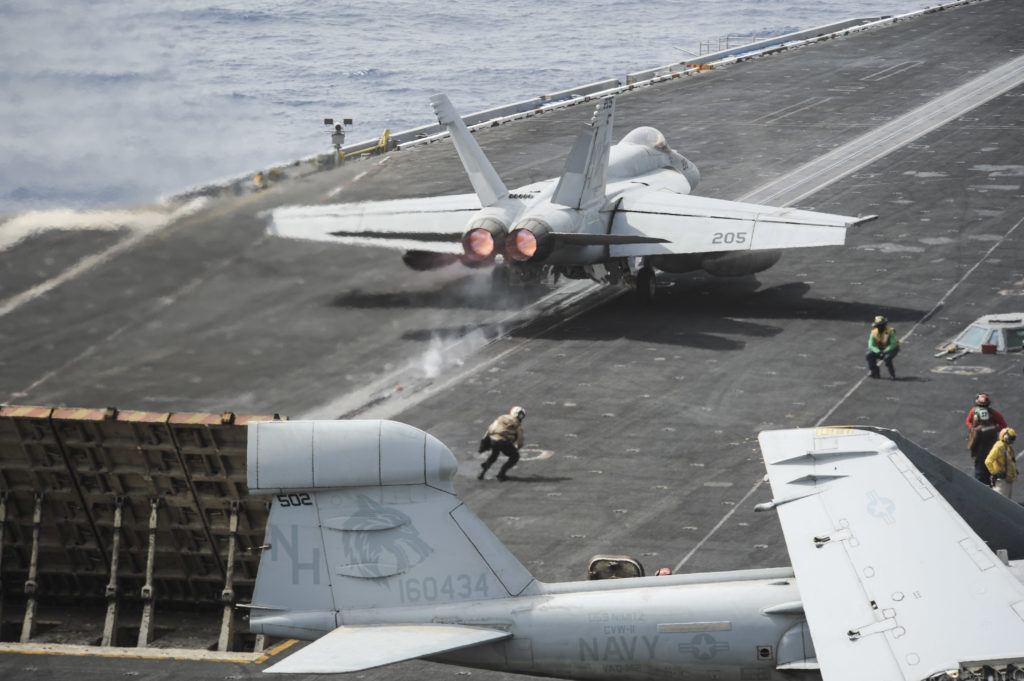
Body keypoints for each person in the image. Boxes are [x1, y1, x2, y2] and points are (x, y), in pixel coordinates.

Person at [478, 406, 525, 481]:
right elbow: (520, 439)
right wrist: (517, 447)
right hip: (503, 441)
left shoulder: (501, 417)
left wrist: (484, 440)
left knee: (494, 454)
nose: (521, 417)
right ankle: (501, 474)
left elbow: (491, 428)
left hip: (493, 439)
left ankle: (482, 472)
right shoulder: (517, 424)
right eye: (520, 415)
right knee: (515, 457)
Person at [985, 427, 1018, 499]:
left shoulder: (1008, 448)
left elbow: (1011, 461)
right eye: (1010, 439)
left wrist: (1014, 472)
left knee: (1008, 502)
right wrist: (994, 473)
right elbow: (988, 461)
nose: (1012, 441)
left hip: (1008, 479)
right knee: (1000, 500)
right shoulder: (998, 447)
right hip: (1002, 480)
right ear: (1005, 437)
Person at [865, 315, 899, 380]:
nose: (880, 327)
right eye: (878, 326)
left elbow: (893, 344)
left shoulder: (890, 332)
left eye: (882, 325)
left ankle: (892, 374)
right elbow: (870, 345)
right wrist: (878, 351)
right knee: (868, 355)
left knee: (887, 358)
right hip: (880, 349)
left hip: (891, 349)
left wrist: (884, 351)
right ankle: (874, 372)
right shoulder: (873, 332)